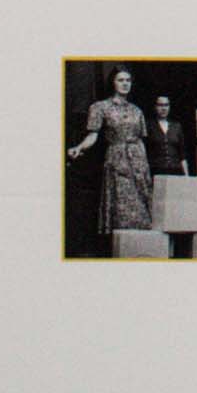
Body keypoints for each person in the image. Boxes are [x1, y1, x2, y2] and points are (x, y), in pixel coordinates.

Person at [68, 66, 157, 256]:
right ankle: (122, 250)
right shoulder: (100, 107)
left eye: (128, 80)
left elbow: (141, 138)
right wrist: (79, 147)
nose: (125, 84)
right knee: (121, 204)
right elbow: (93, 135)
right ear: (113, 83)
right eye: (120, 80)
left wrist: (144, 166)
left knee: (143, 204)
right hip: (117, 160)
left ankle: (142, 251)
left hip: (138, 161)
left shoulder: (136, 110)